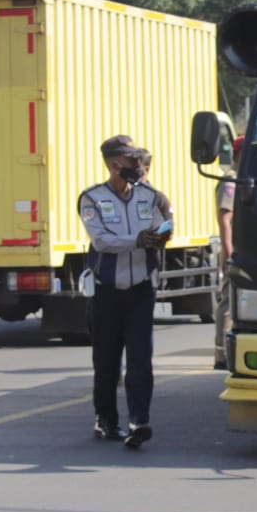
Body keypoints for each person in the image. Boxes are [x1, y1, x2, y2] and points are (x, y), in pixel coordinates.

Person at [78, 135, 172, 448]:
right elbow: (101, 241)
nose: (138, 166)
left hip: (141, 290)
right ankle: (106, 420)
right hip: (106, 291)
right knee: (106, 361)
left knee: (141, 359)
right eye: (131, 161)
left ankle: (139, 421)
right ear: (113, 163)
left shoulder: (149, 196)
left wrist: (163, 234)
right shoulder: (91, 198)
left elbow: (163, 225)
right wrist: (138, 240)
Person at [213, 174, 235, 371]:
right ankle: (223, 354)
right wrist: (229, 253)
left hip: (248, 249)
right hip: (236, 251)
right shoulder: (231, 182)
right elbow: (225, 218)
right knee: (228, 302)